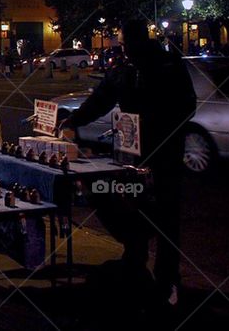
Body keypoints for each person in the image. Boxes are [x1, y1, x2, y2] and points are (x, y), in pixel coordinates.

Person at [62, 18, 196, 319]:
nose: (123, 47)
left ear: (133, 41)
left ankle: (164, 278)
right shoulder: (129, 67)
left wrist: (158, 124)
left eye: (124, 41)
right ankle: (141, 265)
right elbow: (101, 99)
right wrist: (74, 121)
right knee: (139, 208)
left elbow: (186, 104)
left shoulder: (162, 65)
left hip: (160, 151)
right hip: (138, 151)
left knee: (162, 213)